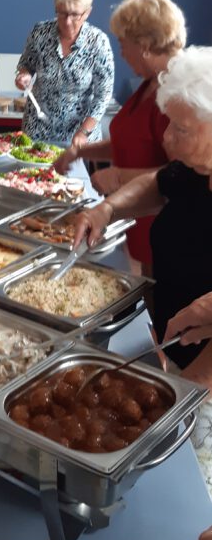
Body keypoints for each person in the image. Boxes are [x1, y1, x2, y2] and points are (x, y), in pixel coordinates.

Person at [70, 46, 212, 498]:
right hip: (179, 353)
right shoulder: (195, 170)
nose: (167, 137)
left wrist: (184, 389)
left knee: (187, 489)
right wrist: (107, 209)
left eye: (181, 129)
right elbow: (158, 183)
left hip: (204, 382)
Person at [55, 0, 186, 269]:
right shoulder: (150, 83)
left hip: (164, 229)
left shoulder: (176, 94)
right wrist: (80, 152)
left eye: (123, 44)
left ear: (145, 45)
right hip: (137, 220)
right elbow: (131, 143)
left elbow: (182, 175)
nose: (122, 53)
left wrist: (117, 177)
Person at [15, 0, 114, 146]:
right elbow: (27, 64)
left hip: (79, 134)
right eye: (62, 13)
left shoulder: (98, 42)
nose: (67, 21)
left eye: (75, 15)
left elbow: (103, 95)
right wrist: (24, 76)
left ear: (87, 12)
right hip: (37, 130)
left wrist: (84, 132)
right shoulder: (40, 33)